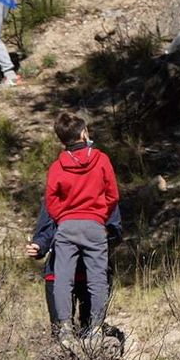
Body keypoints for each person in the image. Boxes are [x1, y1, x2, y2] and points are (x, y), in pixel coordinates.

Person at [40, 112, 118, 345]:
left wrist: (61, 217)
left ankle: (64, 327)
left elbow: (50, 199)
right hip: (94, 225)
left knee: (63, 278)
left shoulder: (57, 166)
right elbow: (113, 194)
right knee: (97, 278)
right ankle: (95, 328)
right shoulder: (102, 159)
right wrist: (101, 215)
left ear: (62, 140)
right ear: (83, 133)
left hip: (67, 227)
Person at [27, 198, 123, 339]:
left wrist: (103, 235)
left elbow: (115, 231)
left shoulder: (103, 192)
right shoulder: (57, 189)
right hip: (57, 276)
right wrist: (39, 246)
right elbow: (46, 231)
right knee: (60, 334)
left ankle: (94, 359)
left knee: (91, 332)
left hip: (95, 277)